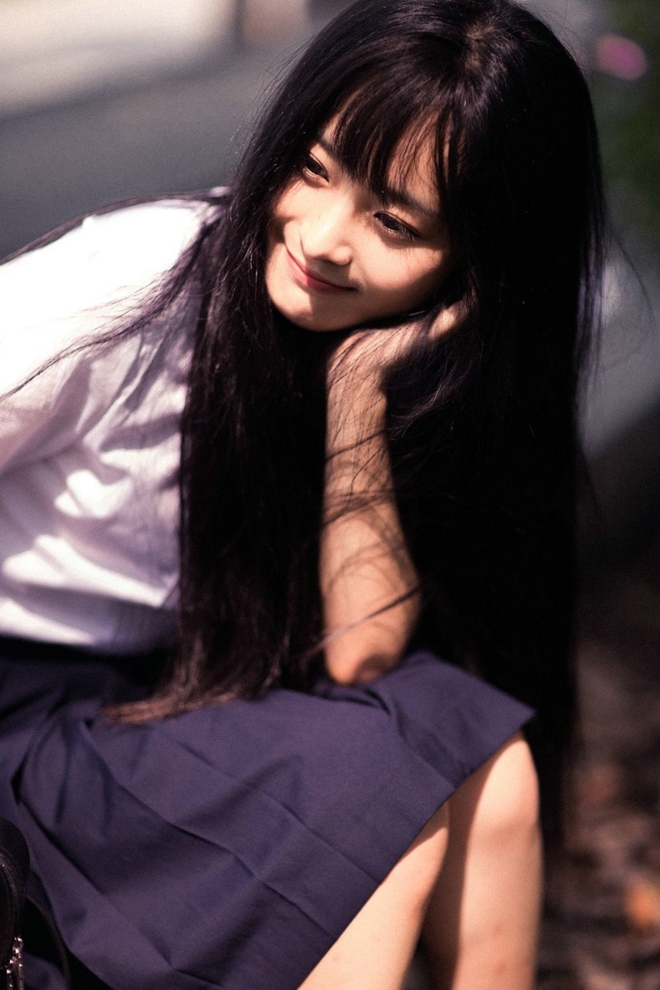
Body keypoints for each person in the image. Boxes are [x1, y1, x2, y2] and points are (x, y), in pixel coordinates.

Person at [0, 0, 606, 987]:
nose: (322, 239)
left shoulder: (416, 365)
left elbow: (363, 653)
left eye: (393, 221)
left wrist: (358, 404)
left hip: (141, 702)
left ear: (478, 266)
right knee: (382, 793)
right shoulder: (138, 281)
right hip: (26, 720)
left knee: (494, 771)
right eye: (316, 169)